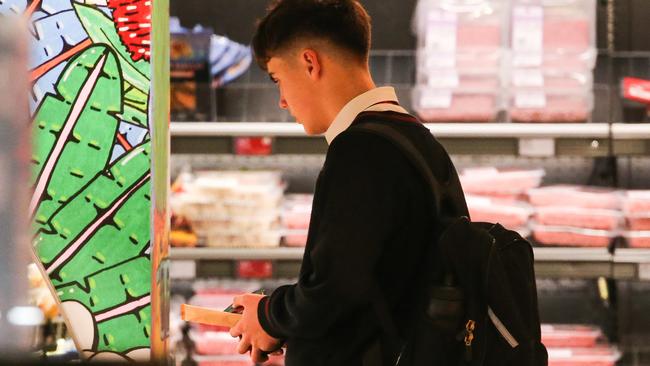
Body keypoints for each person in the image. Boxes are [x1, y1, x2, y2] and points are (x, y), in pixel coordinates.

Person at [229, 0, 468, 365]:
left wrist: (269, 316)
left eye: (278, 78)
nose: (281, 101)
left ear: (310, 63)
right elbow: (372, 285)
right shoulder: (410, 136)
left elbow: (337, 289)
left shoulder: (362, 150)